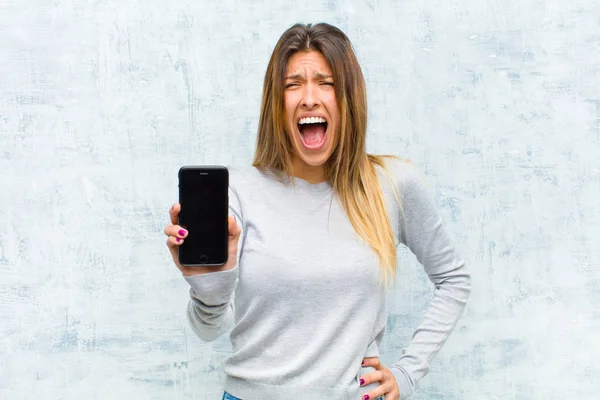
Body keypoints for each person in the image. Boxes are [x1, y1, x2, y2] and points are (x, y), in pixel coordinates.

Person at [163, 22, 471, 400]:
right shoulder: (239, 192)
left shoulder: (390, 185)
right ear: (277, 104)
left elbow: (453, 280)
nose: (309, 98)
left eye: (325, 82)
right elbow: (209, 329)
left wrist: (406, 374)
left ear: (347, 100)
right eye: (293, 84)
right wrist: (209, 288)